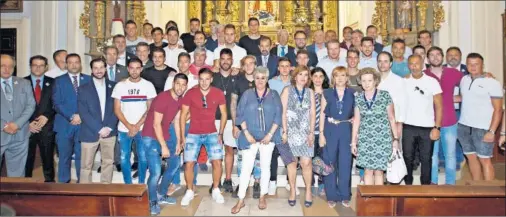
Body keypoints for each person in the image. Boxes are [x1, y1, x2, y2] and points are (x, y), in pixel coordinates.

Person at [231, 66, 282, 214]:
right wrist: (246, 133)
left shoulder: (274, 95)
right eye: (257, 77)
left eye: (263, 78)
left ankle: (262, 196)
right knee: (246, 168)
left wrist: (270, 135)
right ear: (253, 78)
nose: (260, 81)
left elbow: (278, 116)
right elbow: (240, 114)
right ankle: (240, 200)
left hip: (268, 137)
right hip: (250, 137)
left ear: (267, 79)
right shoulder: (247, 94)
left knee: (265, 167)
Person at [141, 73, 188, 215]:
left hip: (165, 135)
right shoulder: (163, 98)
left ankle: (161, 194)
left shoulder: (180, 99)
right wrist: (163, 146)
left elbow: (177, 121)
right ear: (173, 83)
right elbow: (156, 125)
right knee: (155, 172)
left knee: (174, 165)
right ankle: (152, 201)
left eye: (183, 85)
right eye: (178, 83)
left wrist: (179, 141)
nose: (180, 87)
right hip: (151, 136)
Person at [179, 68, 227, 206]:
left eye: (207, 79)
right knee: (189, 163)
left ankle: (216, 189)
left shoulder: (218, 93)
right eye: (201, 79)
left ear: (211, 79)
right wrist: (183, 137)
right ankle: (189, 191)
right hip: (193, 133)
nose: (204, 82)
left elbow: (224, 113)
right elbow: (183, 115)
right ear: (198, 79)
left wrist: (221, 133)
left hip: (212, 133)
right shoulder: (191, 93)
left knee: (217, 162)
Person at [457, 53, 503, 181]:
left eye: (476, 64)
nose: (472, 67)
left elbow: (498, 109)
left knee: (485, 160)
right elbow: (465, 98)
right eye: (470, 64)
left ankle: (489, 193)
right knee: (471, 157)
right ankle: (477, 188)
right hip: (464, 126)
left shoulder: (492, 83)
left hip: (483, 128)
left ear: (482, 65)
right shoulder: (464, 80)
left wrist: (492, 131)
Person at [112, 58, 157, 184]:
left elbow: (150, 109)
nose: (134, 71)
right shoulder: (120, 86)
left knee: (143, 158)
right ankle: (128, 184)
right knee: (124, 158)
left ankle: (141, 183)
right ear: (128, 69)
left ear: (141, 69)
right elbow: (116, 109)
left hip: (142, 129)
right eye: (132, 68)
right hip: (123, 129)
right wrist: (129, 126)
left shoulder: (148, 85)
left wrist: (136, 126)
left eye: (137, 68)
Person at [351, 67, 399, 186]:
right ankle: (369, 199)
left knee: (379, 172)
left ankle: (379, 200)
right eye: (364, 81)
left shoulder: (385, 95)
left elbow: (392, 118)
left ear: (375, 81)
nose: (367, 84)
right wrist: (353, 141)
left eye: (369, 80)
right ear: (360, 82)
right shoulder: (358, 98)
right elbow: (357, 120)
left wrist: (396, 139)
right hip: (365, 139)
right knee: (367, 171)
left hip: (382, 139)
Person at [424, 47, 462, 185]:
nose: (435, 57)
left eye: (438, 54)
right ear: (427, 59)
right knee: (431, 155)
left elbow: (470, 85)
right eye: (432, 55)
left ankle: (450, 184)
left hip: (450, 120)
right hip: (429, 122)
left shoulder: (454, 73)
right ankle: (433, 183)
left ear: (442, 57)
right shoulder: (423, 75)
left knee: (450, 155)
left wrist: (459, 97)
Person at [403, 54, 442, 185]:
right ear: (408, 65)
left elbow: (439, 106)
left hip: (427, 127)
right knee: (407, 157)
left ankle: (425, 187)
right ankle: (408, 185)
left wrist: (437, 127)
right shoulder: (404, 81)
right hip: (408, 126)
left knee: (426, 158)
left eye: (417, 63)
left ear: (422, 65)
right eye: (411, 64)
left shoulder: (432, 81)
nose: (414, 66)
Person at [281, 66, 316, 207]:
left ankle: (308, 190)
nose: (303, 77)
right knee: (292, 163)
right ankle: (293, 190)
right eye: (300, 74)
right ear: (295, 76)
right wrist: (284, 131)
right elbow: (282, 113)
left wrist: (312, 132)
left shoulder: (310, 92)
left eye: (306, 75)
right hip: (290, 132)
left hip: (305, 132)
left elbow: (313, 113)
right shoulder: (287, 90)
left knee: (306, 163)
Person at [78, 58, 118, 184]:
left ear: (106, 69)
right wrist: (99, 128)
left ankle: (105, 189)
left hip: (109, 132)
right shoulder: (83, 88)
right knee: (86, 166)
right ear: (91, 70)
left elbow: (117, 109)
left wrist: (109, 127)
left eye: (101, 67)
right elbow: (83, 112)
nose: (99, 70)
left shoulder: (114, 86)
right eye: (95, 68)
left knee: (108, 162)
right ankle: (85, 193)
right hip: (90, 132)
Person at [53, 53, 91, 183]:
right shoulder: (58, 81)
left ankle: (82, 184)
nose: (74, 65)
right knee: (64, 156)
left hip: (83, 124)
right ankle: (64, 184)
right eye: (71, 62)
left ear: (80, 64)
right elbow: (56, 103)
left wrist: (81, 115)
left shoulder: (89, 79)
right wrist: (71, 116)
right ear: (66, 64)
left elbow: (92, 102)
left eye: (76, 62)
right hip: (64, 124)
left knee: (82, 156)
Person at [319, 66, 354, 208]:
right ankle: (331, 195)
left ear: (347, 78)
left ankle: (345, 195)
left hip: (346, 129)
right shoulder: (326, 93)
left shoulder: (353, 93)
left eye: (343, 75)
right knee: (329, 163)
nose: (340, 78)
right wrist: (321, 133)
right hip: (330, 130)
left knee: (345, 163)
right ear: (333, 78)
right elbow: (322, 113)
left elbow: (357, 114)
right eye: (337, 75)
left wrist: (355, 135)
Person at [230, 55, 262, 198]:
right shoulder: (238, 81)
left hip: (258, 125)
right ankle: (242, 183)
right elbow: (233, 104)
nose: (249, 66)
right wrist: (234, 124)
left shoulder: (261, 81)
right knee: (242, 156)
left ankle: (257, 183)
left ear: (255, 65)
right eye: (246, 64)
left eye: (252, 63)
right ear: (243, 67)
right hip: (242, 126)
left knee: (258, 156)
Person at [1, 54, 36, 177]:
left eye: (10, 66)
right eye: (3, 66)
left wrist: (17, 124)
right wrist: (4, 126)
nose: (7, 69)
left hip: (19, 134)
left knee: (17, 174)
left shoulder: (24, 83)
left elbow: (30, 105)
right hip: (1, 132)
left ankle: (15, 195)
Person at [24, 55, 56, 182]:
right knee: (27, 157)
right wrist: (28, 122)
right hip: (27, 126)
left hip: (47, 126)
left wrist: (47, 115)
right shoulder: (21, 82)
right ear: (30, 66)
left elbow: (57, 102)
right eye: (35, 65)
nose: (38, 68)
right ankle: (25, 183)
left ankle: (49, 183)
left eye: (41, 65)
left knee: (48, 157)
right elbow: (17, 105)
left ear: (46, 67)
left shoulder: (53, 82)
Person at [211, 48, 239, 193]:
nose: (226, 62)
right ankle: (215, 181)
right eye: (223, 59)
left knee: (229, 149)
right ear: (219, 61)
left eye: (228, 59)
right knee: (215, 152)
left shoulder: (237, 75)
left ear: (232, 61)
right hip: (214, 118)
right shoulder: (213, 76)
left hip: (230, 119)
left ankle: (228, 179)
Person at [444, 46, 468, 169]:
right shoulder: (440, 70)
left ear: (460, 57)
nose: (453, 57)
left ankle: (458, 160)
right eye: (450, 55)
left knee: (458, 136)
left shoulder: (468, 71)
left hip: (461, 110)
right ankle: (442, 161)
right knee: (443, 136)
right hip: (443, 110)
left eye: (456, 55)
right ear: (446, 57)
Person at [309, 67, 330, 196]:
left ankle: (323, 184)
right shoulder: (306, 92)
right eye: (315, 76)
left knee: (323, 158)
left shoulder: (328, 93)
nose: (317, 79)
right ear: (311, 78)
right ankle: (310, 183)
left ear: (324, 78)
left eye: (320, 76)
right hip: (309, 132)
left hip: (324, 132)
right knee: (309, 159)